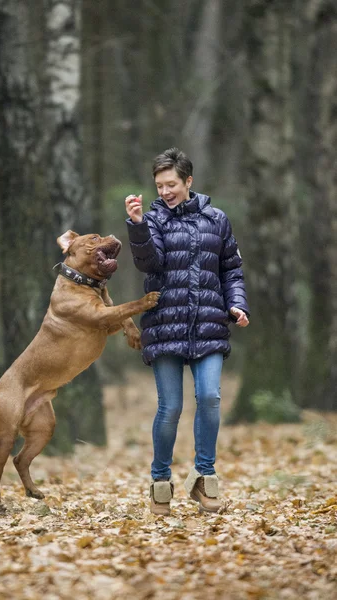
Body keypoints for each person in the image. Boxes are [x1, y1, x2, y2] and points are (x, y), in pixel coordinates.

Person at [125, 147, 250, 516]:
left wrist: (237, 303)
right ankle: (160, 483)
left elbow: (231, 269)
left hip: (210, 324)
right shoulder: (154, 220)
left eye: (171, 184)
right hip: (165, 326)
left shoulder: (217, 220)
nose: (165, 191)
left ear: (188, 181)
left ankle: (204, 479)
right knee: (171, 408)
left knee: (210, 397)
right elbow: (150, 262)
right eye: (159, 185)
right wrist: (136, 226)